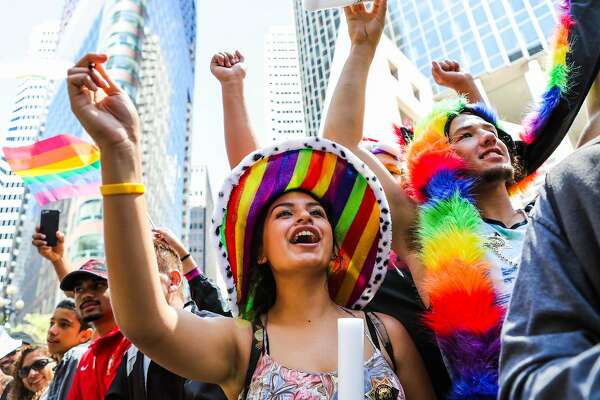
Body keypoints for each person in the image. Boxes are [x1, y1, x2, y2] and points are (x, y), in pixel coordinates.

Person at [65, 45, 435, 400]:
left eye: (317, 212)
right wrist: (120, 154)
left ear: (336, 248)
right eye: (284, 213)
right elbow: (150, 325)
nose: (304, 215)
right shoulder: (242, 344)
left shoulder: (382, 333)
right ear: (259, 250)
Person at [210, 47, 451, 398]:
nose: (383, 180)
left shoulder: (431, 248)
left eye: (390, 171)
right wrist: (233, 89)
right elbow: (260, 186)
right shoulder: (340, 279)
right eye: (372, 168)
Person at [498, 138, 600, 399]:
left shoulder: (553, 199)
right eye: (466, 136)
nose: (489, 138)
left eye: (493, 132)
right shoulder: (448, 240)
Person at [105, 238, 227, 400]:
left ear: (174, 280)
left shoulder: (213, 331)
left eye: (138, 276)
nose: (128, 289)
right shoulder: (132, 355)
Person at [55, 260, 131, 400]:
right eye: (78, 289)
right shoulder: (87, 359)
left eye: (97, 285)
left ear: (119, 288)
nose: (86, 295)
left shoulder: (135, 341)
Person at [45, 300, 93, 400]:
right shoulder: (64, 364)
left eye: (63, 325)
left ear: (85, 335)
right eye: (51, 323)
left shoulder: (77, 356)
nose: (52, 331)